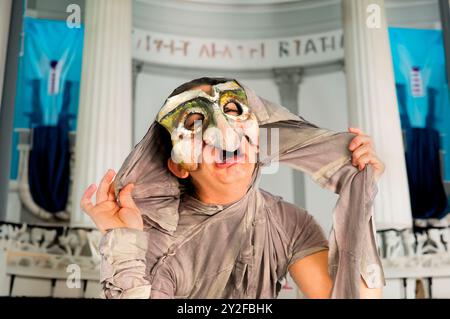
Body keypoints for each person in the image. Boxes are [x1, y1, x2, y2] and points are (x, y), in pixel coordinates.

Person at [80, 77, 386, 299]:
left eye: (234, 111)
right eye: (195, 124)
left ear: (258, 140)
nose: (224, 136)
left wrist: (362, 189)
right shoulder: (154, 237)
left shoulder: (290, 223)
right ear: (178, 165)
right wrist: (122, 241)